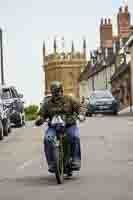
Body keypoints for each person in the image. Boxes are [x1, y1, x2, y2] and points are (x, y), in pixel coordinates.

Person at [35, 81, 82, 172]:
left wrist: (81, 114)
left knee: (74, 136)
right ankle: (52, 163)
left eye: (59, 91)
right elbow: (41, 115)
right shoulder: (47, 103)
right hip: (54, 127)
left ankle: (75, 159)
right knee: (47, 139)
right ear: (52, 93)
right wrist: (39, 120)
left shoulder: (69, 99)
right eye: (55, 92)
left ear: (62, 91)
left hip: (69, 125)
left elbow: (80, 107)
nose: (57, 94)